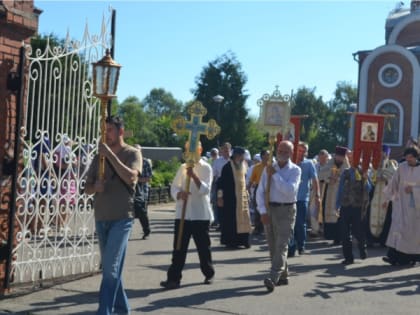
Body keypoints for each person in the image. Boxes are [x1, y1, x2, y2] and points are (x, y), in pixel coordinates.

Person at [85, 116, 142, 315]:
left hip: (122, 218)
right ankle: (122, 308)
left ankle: (104, 311)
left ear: (120, 131)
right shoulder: (98, 156)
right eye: (105, 129)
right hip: (101, 217)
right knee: (112, 267)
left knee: (110, 268)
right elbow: (86, 188)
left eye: (110, 129)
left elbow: (132, 177)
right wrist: (95, 187)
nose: (106, 133)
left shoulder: (132, 153)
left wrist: (110, 155)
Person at [160, 142, 215, 290]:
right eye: (187, 150)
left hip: (200, 215)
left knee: (203, 247)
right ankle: (173, 278)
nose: (190, 153)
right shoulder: (182, 167)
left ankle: (208, 273)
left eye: (193, 150)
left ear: (200, 150)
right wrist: (179, 194)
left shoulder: (206, 167)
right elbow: (174, 187)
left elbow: (206, 190)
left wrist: (194, 176)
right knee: (178, 247)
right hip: (183, 214)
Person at [256, 140, 301, 292]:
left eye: (285, 151)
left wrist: (275, 176)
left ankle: (273, 277)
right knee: (273, 246)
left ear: (291, 153)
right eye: (280, 151)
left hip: (287, 211)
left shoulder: (295, 170)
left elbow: (289, 190)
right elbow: (260, 191)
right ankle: (284, 275)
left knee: (282, 244)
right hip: (270, 209)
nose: (281, 154)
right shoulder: (269, 168)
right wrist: (262, 211)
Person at [382, 147, 420, 266]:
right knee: (398, 229)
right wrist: (387, 199)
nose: (408, 161)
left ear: (416, 157)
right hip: (401, 205)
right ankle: (393, 257)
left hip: (415, 209)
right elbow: (394, 183)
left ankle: (410, 258)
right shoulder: (402, 167)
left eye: (410, 158)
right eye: (406, 158)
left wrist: (414, 189)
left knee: (412, 233)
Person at [336, 164, 372, 265]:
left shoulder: (363, 171)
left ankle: (362, 247)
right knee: (344, 233)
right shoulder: (346, 172)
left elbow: (369, 189)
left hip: (357, 206)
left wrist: (365, 179)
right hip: (345, 205)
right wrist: (337, 204)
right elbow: (340, 188)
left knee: (357, 231)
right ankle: (348, 258)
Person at [288, 142, 320, 256]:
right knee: (290, 224)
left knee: (300, 224)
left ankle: (301, 246)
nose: (301, 153)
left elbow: (315, 180)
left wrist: (318, 196)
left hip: (302, 199)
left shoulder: (309, 163)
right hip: (289, 198)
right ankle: (291, 248)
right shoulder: (290, 162)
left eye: (304, 151)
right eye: (299, 150)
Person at [217, 147, 252, 248]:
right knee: (231, 220)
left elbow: (244, 181)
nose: (242, 158)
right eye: (241, 156)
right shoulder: (227, 167)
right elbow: (220, 184)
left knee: (244, 218)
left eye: (243, 156)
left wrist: (247, 194)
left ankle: (244, 241)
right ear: (236, 155)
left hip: (242, 197)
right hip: (230, 199)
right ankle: (231, 242)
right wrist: (220, 197)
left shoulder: (244, 165)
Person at [323, 146, 350, 245]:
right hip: (330, 191)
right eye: (337, 156)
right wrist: (330, 178)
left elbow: (347, 177)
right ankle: (332, 237)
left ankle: (340, 238)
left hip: (341, 194)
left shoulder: (346, 165)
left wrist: (337, 179)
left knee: (341, 217)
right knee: (331, 214)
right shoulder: (330, 163)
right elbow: (322, 173)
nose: (339, 158)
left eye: (341, 157)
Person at [133, 144, 153, 240]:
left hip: (142, 190)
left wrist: (137, 179)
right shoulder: (129, 160)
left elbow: (148, 178)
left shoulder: (145, 162)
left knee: (142, 212)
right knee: (127, 211)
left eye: (137, 151)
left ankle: (146, 230)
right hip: (130, 190)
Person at [211, 142, 231, 227]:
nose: (226, 151)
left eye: (227, 149)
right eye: (224, 149)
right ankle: (218, 221)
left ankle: (228, 221)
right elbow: (213, 175)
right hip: (220, 185)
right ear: (221, 151)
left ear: (230, 150)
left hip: (230, 184)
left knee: (229, 203)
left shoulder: (233, 160)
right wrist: (212, 186)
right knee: (218, 203)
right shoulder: (217, 161)